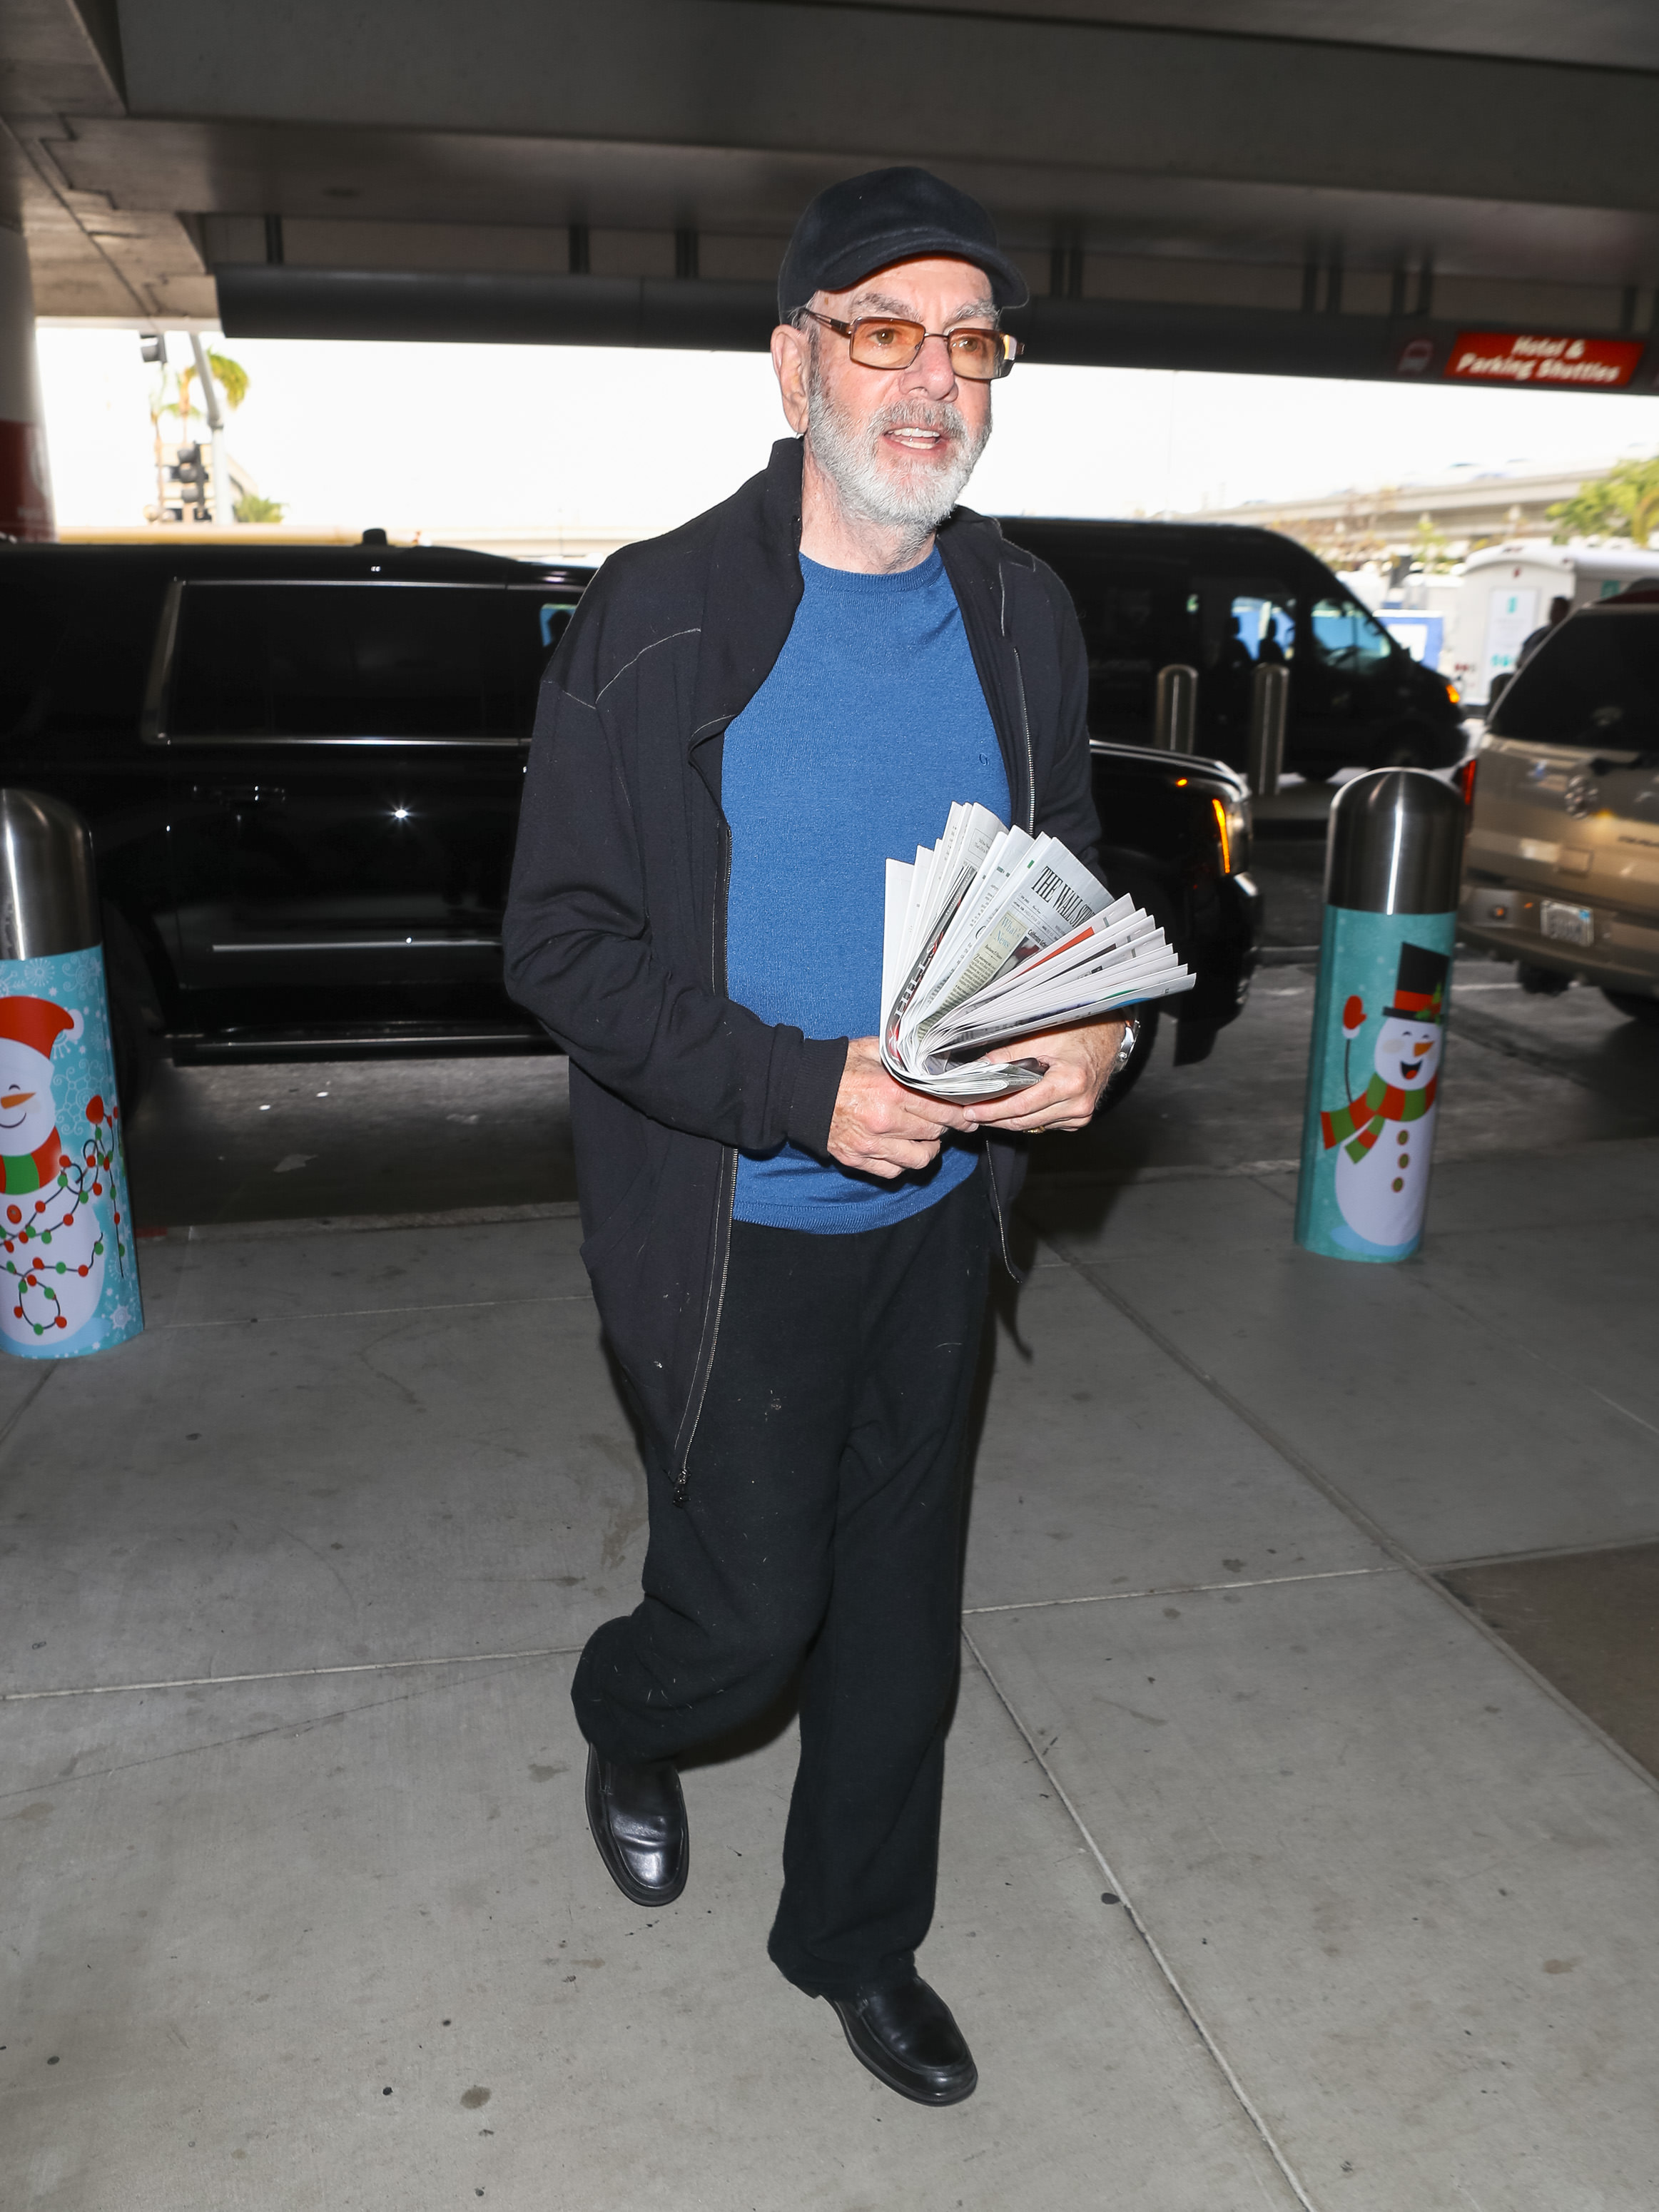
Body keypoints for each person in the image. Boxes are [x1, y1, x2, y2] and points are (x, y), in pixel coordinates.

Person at [502, 166, 1134, 2107]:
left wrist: (1091, 1018)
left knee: (897, 1621)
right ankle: (632, 1710)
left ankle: (852, 1939)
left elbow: (1058, 883)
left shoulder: (1021, 614)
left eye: (966, 344)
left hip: (941, 1221)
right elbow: (557, 942)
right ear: (793, 367)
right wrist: (802, 1087)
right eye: (880, 333)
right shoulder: (661, 613)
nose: (926, 382)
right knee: (749, 1612)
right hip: (735, 1219)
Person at [1518, 593, 1571, 666]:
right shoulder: (1539, 633)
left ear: (1565, 612)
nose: (1552, 613)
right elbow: (1525, 650)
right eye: (1552, 609)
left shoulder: (1567, 636)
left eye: (1556, 610)